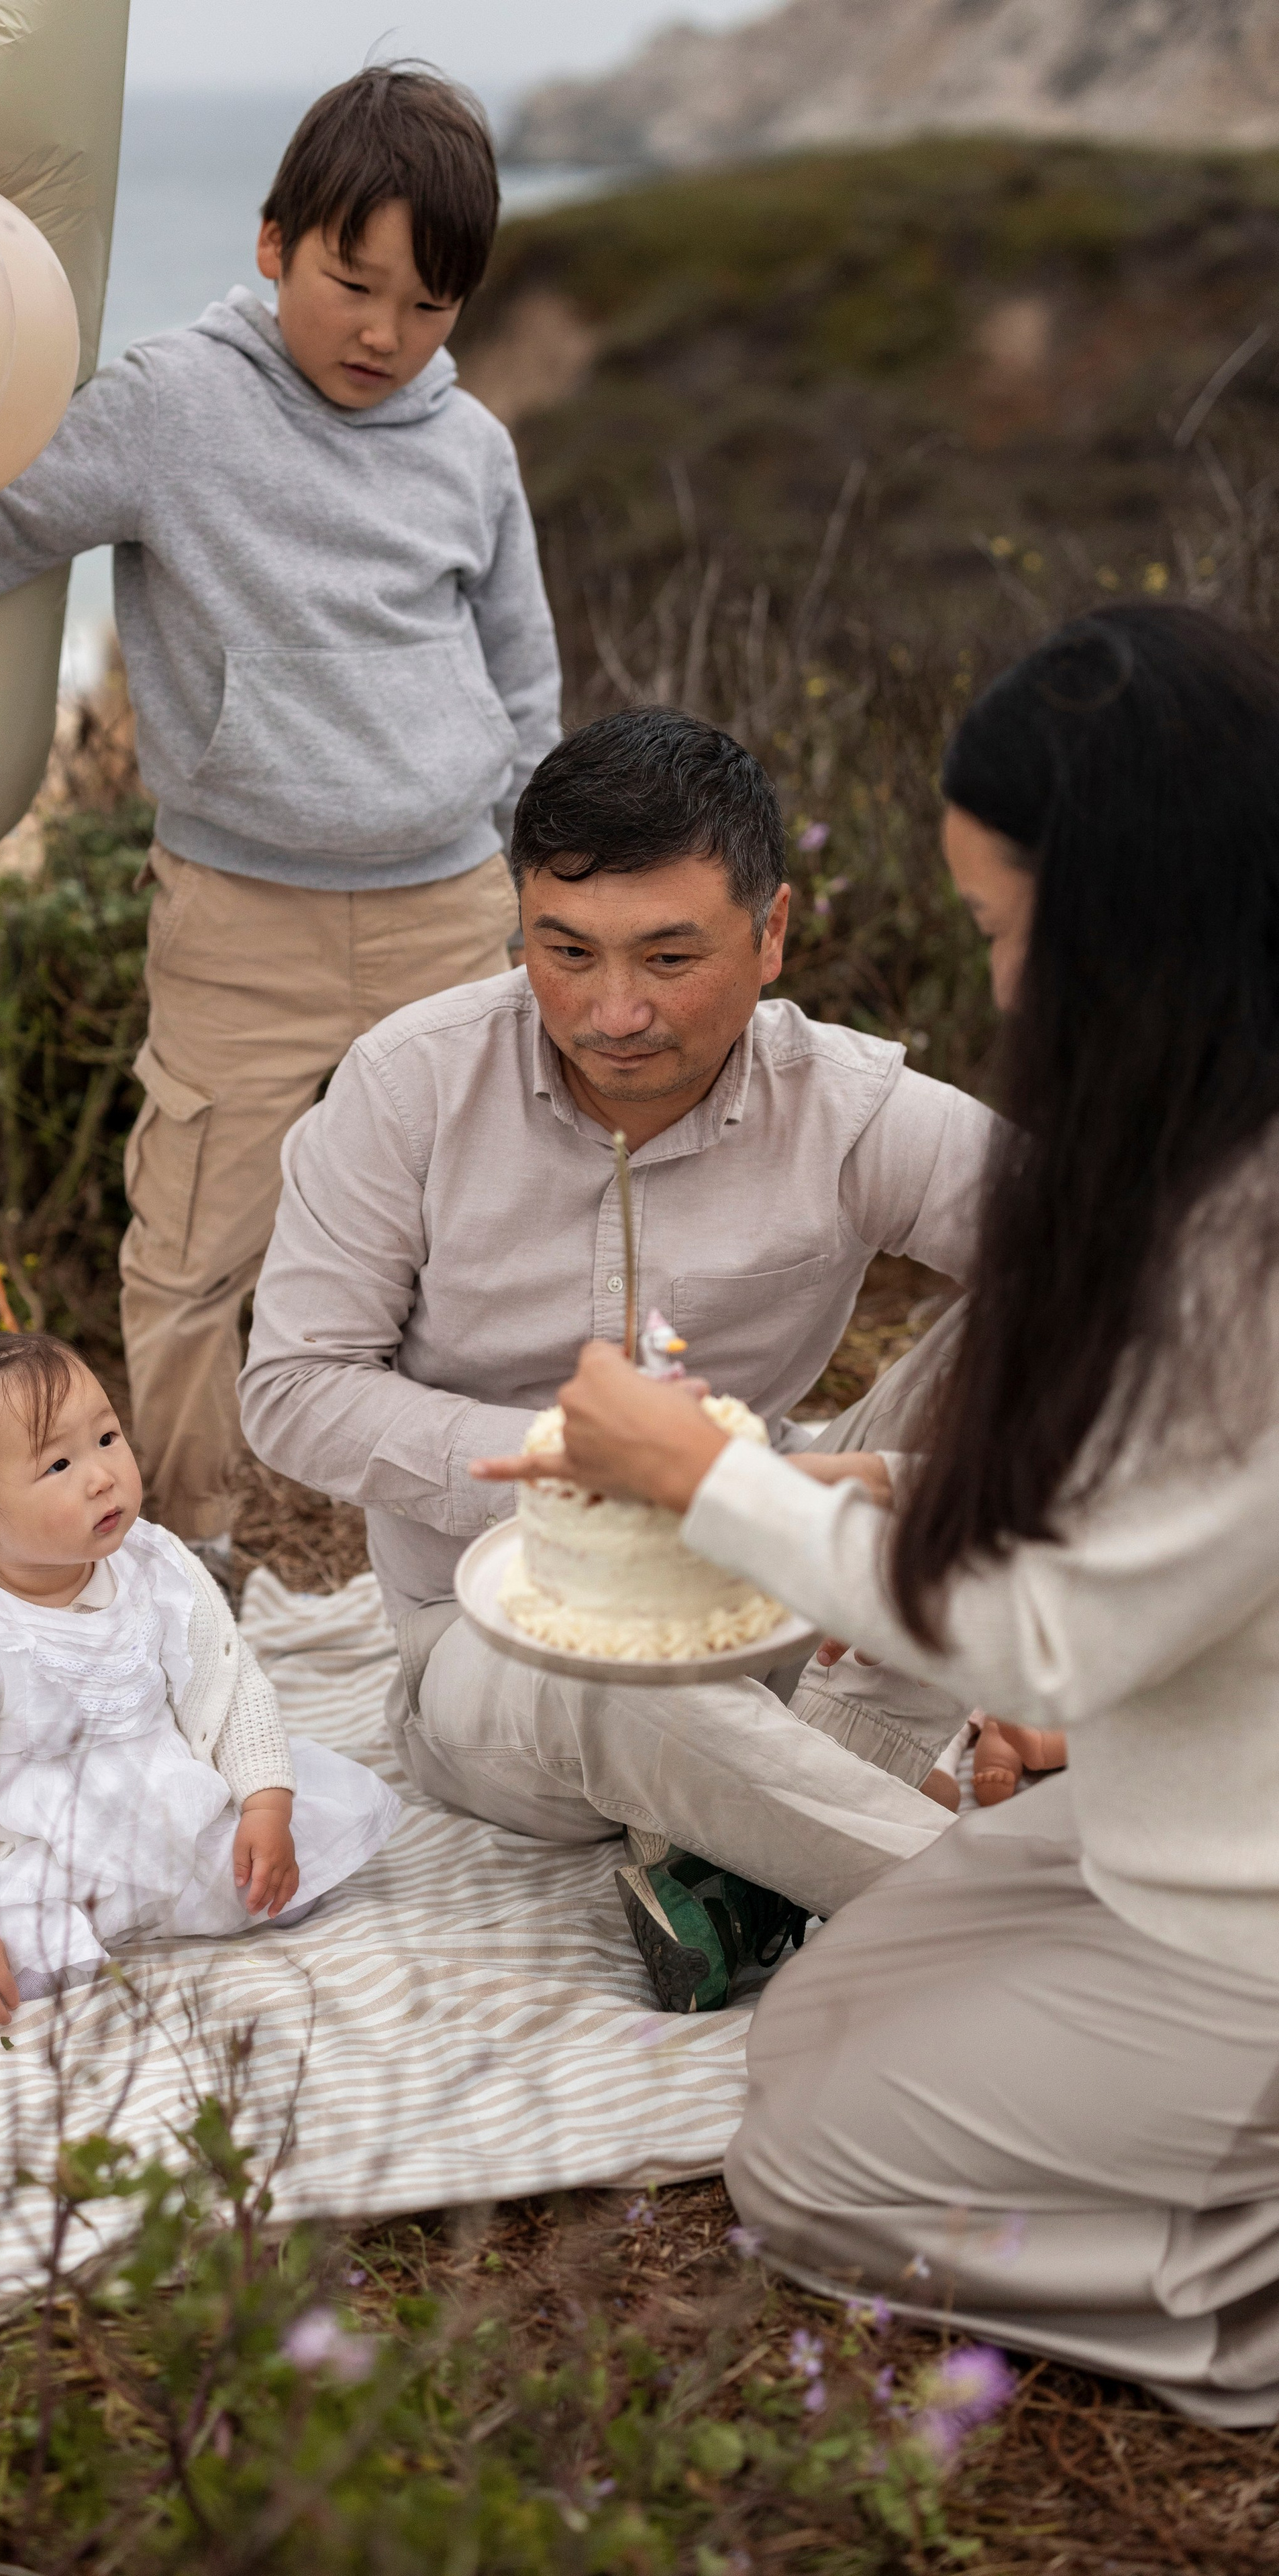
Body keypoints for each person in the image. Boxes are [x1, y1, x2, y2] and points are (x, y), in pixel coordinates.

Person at [476, 606, 1279, 2426]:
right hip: (1152, 1829)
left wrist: (712, 1479)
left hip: (1242, 1918)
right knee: (820, 2023)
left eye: (1004, 929)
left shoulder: (1246, 1238)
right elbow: (1184, 1510)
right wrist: (866, 1485)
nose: (998, 980)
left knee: (804, 2176)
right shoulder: (1201, 1149)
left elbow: (1042, 1639)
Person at [0, 68, 560, 1556]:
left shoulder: (473, 452)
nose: (384, 334)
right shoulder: (172, 407)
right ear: (273, 243)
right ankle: (197, 1561)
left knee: (485, 1243)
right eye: (352, 283)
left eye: (429, 306)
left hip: (452, 911)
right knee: (191, 1259)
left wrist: (544, 899)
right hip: (244, 920)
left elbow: (523, 685)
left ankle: (493, 1543)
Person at [242, 702, 1001, 2004]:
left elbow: (1141, 1273)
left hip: (784, 1589)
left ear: (771, 933)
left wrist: (908, 1498)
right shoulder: (408, 1086)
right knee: (616, 1685)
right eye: (565, 952)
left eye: (668, 956)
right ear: (520, 925)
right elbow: (291, 1390)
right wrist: (571, 1466)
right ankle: (1025, 1921)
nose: (614, 1012)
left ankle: (757, 1851)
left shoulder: (847, 1103)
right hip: (496, 1650)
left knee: (1051, 1323)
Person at [0, 1333, 401, 2037]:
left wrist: (264, 1803)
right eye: (58, 1464)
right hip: (26, 1845)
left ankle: (193, 1877)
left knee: (274, 1865)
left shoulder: (157, 1566)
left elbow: (230, 1685)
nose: (102, 1476)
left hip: (168, 1811)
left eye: (107, 1438)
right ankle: (3, 1933)